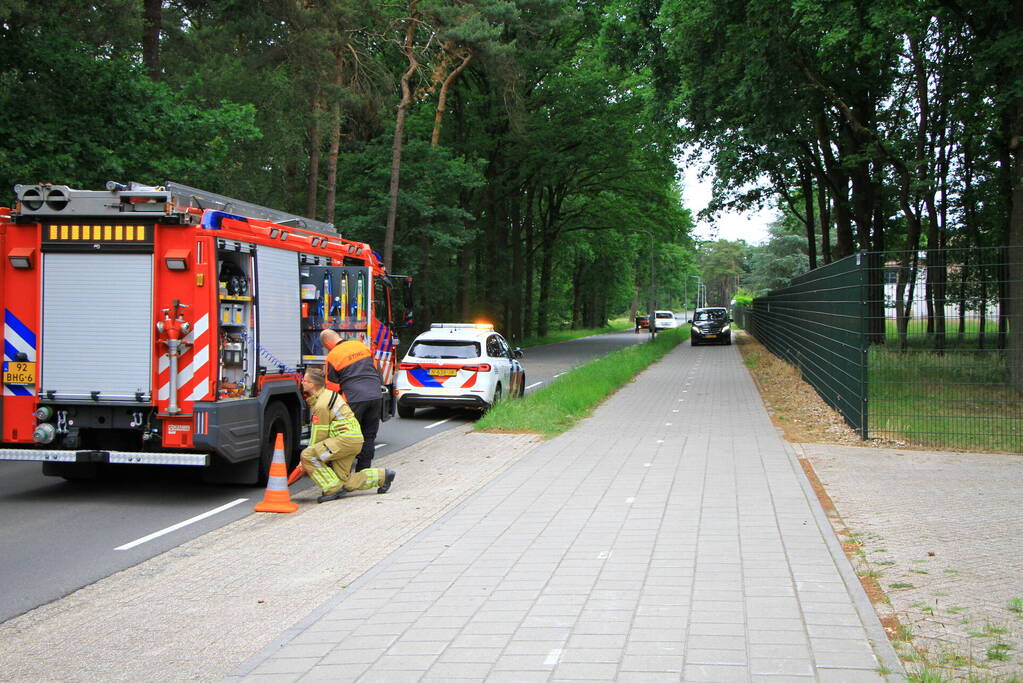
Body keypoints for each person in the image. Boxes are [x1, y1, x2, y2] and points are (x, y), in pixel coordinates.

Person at [299, 367, 394, 503]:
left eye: (304, 380)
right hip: (352, 439)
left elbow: (319, 434)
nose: (302, 382)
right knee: (344, 481)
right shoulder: (328, 395)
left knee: (308, 455)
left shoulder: (321, 405)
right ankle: (383, 476)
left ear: (312, 384)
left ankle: (332, 489)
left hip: (344, 440)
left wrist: (306, 460)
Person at [320, 329, 382, 472]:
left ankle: (344, 475)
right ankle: (363, 472)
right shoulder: (361, 346)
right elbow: (377, 371)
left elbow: (332, 388)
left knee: (348, 438)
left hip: (354, 400)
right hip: (375, 395)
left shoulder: (333, 356)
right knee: (369, 436)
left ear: (327, 343)